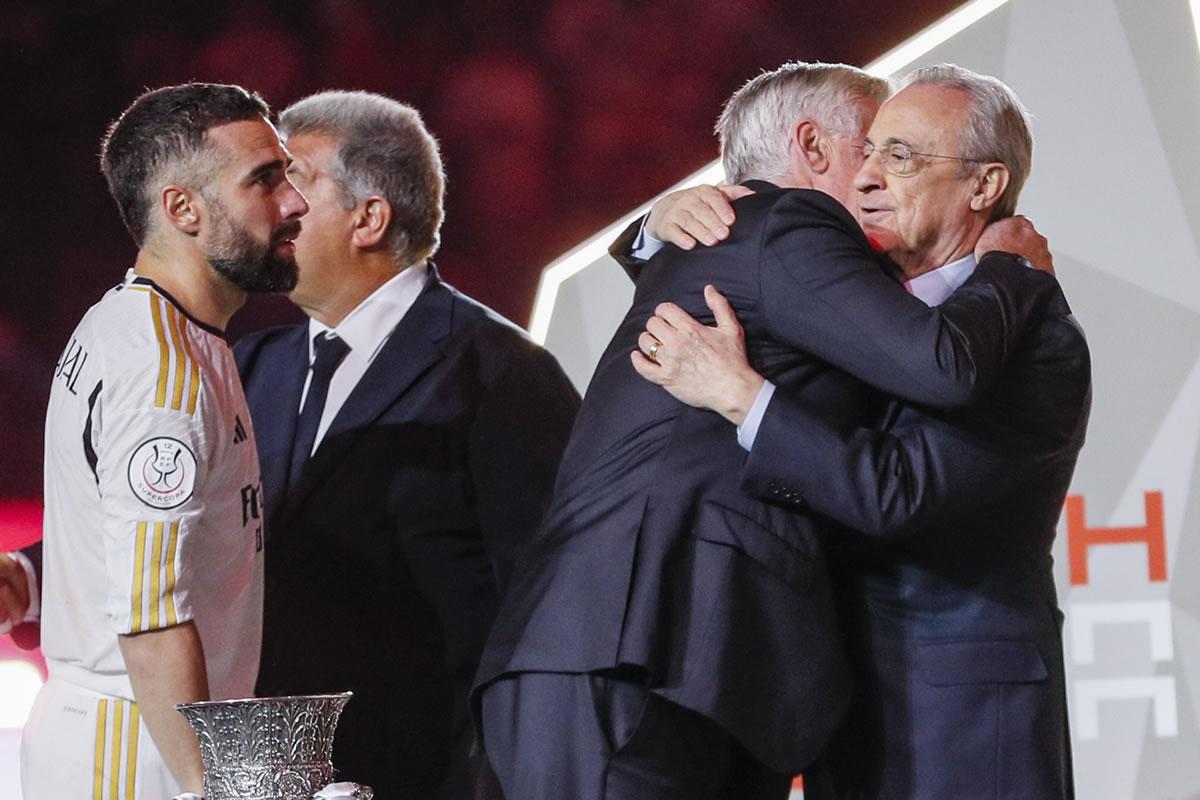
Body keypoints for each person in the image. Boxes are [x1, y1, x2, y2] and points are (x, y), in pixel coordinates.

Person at [473, 62, 1064, 800]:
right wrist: (1011, 263)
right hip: (635, 649)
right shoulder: (787, 221)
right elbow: (940, 366)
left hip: (704, 666)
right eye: (871, 149)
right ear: (813, 148)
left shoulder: (773, 250)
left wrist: (658, 255)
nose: (877, 175)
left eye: (901, 156)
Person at [234, 90, 580, 799]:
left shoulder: (499, 371)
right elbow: (187, 531)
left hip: (431, 774)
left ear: (370, 217)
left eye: (293, 179)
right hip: (271, 774)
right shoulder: (249, 367)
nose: (276, 207)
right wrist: (30, 577)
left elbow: (549, 607)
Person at [22, 83, 307, 798]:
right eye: (265, 180)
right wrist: (209, 787)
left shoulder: (155, 331)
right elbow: (151, 620)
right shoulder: (163, 374)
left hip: (120, 739)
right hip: (133, 754)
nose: (295, 203)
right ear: (183, 208)